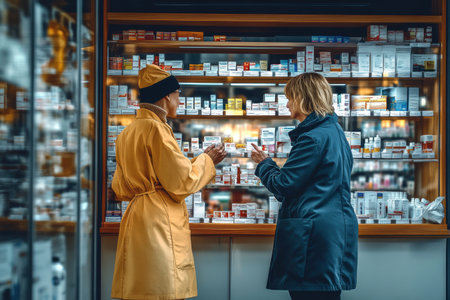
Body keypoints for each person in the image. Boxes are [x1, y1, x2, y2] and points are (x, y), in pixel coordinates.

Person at [111, 64, 227, 300]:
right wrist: (207, 160)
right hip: (159, 221)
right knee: (163, 289)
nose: (179, 100)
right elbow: (181, 182)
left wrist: (195, 160)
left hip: (136, 216)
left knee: (140, 289)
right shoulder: (157, 130)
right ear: (167, 96)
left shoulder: (128, 132)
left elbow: (120, 187)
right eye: (178, 95)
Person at [250, 72, 358, 300]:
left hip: (314, 235)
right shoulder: (334, 132)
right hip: (330, 230)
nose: (287, 103)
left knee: (310, 294)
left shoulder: (312, 138)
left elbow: (284, 185)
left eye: (290, 97)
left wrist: (264, 164)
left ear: (302, 98)